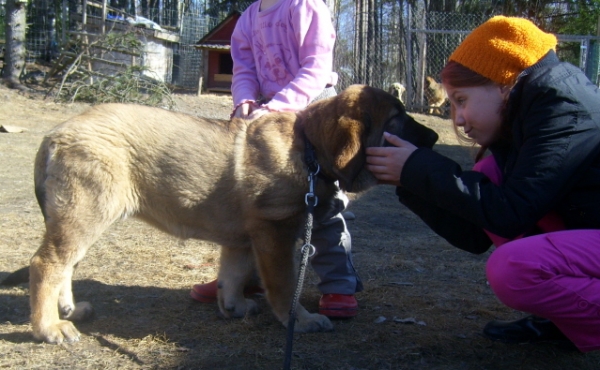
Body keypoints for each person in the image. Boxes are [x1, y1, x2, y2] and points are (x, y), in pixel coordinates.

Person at [366, 15, 600, 352]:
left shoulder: (561, 106)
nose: (457, 119)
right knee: (489, 173)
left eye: (461, 100)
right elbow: (474, 234)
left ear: (502, 82)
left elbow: (510, 213)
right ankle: (565, 321)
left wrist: (419, 168)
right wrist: (410, 181)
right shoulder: (527, 110)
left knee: (514, 269)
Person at [190, 0, 363, 318]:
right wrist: (244, 100)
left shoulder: (307, 7)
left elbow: (315, 68)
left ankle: (338, 283)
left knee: (319, 205)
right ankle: (246, 278)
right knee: (256, 200)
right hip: (268, 117)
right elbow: (243, 68)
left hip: (313, 112)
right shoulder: (247, 20)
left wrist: (277, 108)